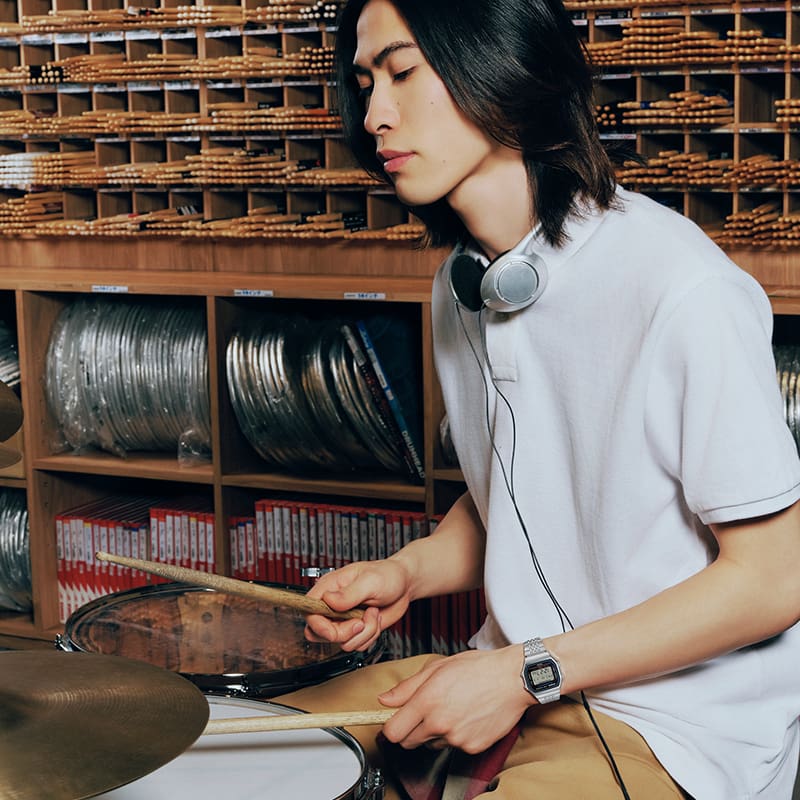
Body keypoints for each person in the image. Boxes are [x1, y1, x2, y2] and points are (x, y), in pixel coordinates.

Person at [275, 0, 800, 797]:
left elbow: (776, 578)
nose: (376, 115)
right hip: (515, 672)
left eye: (404, 72)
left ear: (502, 63)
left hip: (673, 723)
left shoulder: (680, 286)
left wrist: (525, 672)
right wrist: (408, 573)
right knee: (240, 751)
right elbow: (521, 499)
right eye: (364, 84)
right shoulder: (463, 290)